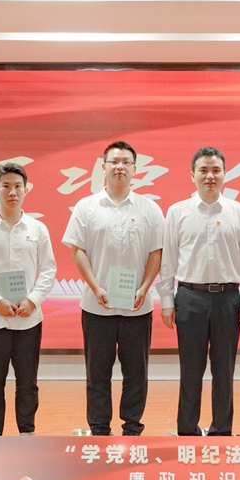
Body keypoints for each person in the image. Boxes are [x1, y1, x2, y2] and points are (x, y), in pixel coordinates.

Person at [62, 141, 164, 436]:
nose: (120, 167)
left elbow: (156, 252)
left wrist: (145, 287)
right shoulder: (86, 207)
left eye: (126, 162)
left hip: (137, 307)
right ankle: (99, 428)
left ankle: (132, 427)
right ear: (103, 167)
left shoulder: (150, 209)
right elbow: (78, 250)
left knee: (137, 373)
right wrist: (95, 287)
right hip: (97, 306)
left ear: (135, 169)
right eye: (114, 162)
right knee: (97, 373)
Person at [157, 146, 240, 436]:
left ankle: (221, 431)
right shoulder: (177, 212)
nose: (210, 176)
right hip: (190, 297)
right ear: (192, 175)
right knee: (190, 369)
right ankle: (187, 430)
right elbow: (168, 260)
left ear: (225, 174)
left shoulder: (238, 212)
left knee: (224, 370)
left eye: (216, 170)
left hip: (228, 298)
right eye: (203, 170)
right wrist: (166, 300)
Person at [0, 162, 56, 436]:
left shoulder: (38, 229)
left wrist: (33, 300)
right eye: (5, 186)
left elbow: (49, 269)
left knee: (27, 382)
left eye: (18, 186)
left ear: (26, 189)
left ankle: (27, 433)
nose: (12, 192)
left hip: (28, 318)